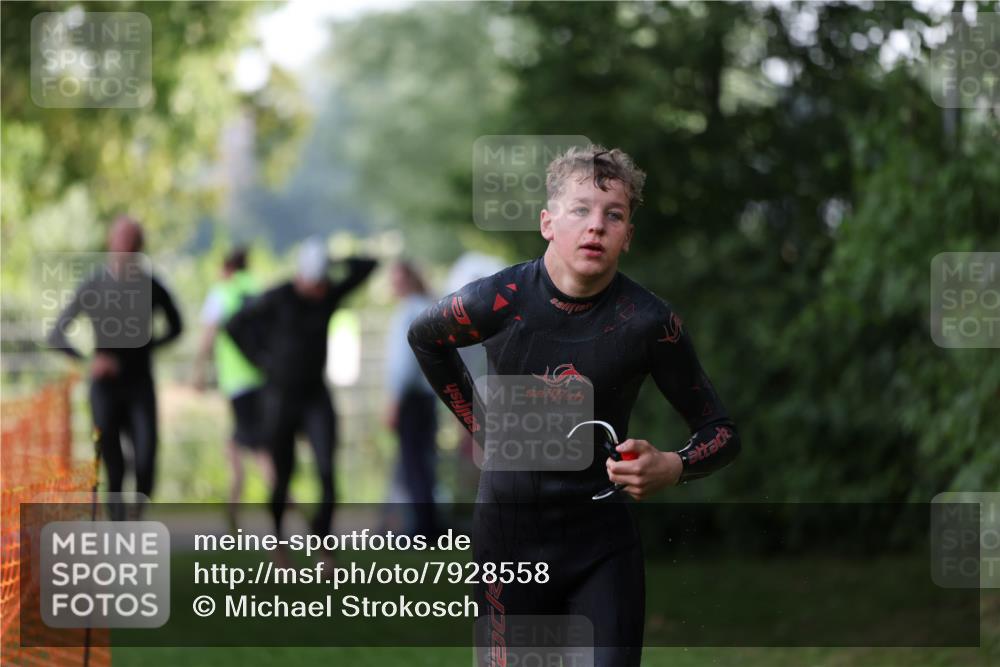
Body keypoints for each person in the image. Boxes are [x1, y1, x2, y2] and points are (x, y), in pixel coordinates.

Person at [407, 145, 741, 666]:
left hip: (601, 551)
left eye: (614, 215)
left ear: (627, 235)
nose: (596, 226)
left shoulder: (649, 323)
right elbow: (425, 338)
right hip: (508, 544)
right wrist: (482, 427)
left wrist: (672, 466)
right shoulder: (500, 299)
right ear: (547, 223)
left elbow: (720, 432)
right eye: (580, 209)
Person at [225, 237, 376, 546]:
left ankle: (323, 545)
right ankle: (279, 541)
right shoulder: (279, 296)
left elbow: (368, 266)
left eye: (322, 282)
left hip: (315, 396)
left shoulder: (328, 296)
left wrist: (332, 261)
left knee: (327, 473)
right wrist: (260, 359)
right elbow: (234, 324)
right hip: (280, 397)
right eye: (313, 282)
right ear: (300, 277)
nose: (318, 290)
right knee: (283, 476)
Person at [48, 216, 183, 517]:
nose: (127, 248)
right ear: (111, 243)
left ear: (140, 247)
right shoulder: (93, 285)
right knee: (115, 468)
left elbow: (177, 326)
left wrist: (149, 345)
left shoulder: (152, 286)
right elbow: (56, 333)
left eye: (133, 243)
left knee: (146, 461)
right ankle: (119, 533)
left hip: (140, 386)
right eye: (122, 241)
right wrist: (89, 362)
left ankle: (136, 520)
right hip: (105, 389)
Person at [193, 246, 274, 528]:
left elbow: (207, 336)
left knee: (261, 451)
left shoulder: (222, 292)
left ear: (226, 267)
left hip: (238, 382)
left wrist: (199, 373)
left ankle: (287, 503)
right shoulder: (257, 288)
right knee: (235, 445)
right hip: (263, 379)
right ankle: (233, 514)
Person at [383, 260, 440, 537]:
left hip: (412, 399)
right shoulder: (426, 308)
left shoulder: (409, 312)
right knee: (421, 462)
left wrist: (394, 401)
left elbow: (404, 365)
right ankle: (423, 523)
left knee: (414, 463)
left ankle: (421, 528)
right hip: (426, 398)